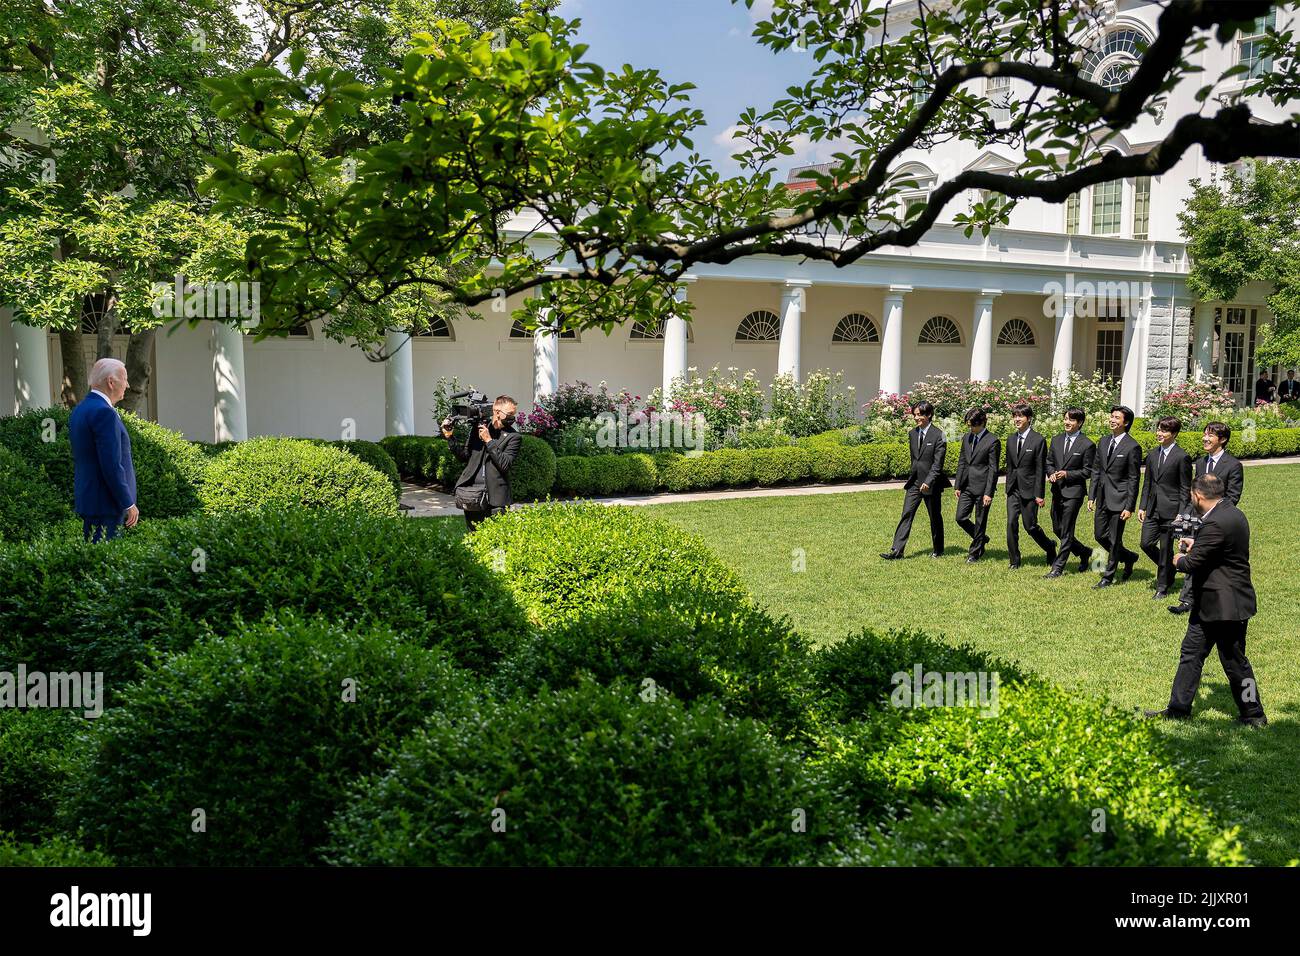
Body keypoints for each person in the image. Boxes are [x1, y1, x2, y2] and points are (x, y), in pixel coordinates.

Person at [1145, 474, 1267, 727]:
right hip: (1209, 604)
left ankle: (1254, 715)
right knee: (1190, 653)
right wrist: (1196, 544)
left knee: (1235, 663)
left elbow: (1191, 563)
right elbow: (1216, 551)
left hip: (1225, 606)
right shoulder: (1233, 513)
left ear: (1198, 495)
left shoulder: (1215, 523)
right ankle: (1178, 708)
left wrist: (1178, 559)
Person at [1169, 421, 1243, 614]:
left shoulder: (1233, 465)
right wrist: (1186, 515)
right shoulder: (1201, 463)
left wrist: (1211, 513)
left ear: (1223, 439)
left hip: (1217, 521)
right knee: (1189, 553)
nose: (1205, 438)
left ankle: (1206, 596)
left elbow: (1233, 496)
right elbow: (1195, 492)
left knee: (1207, 558)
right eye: (1204, 434)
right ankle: (1186, 601)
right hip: (1195, 517)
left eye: (1210, 435)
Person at [67, 358, 139, 543]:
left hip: (90, 499)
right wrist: (128, 502)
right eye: (125, 379)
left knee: (94, 562)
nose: (128, 385)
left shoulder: (81, 409)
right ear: (111, 381)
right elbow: (111, 465)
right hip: (107, 503)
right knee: (107, 565)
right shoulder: (104, 412)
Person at [441, 395, 521, 531]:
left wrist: (489, 441)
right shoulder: (479, 428)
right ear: (496, 412)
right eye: (510, 414)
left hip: (495, 499)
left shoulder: (514, 437)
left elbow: (504, 464)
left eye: (514, 414)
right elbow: (464, 456)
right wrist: (449, 436)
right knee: (474, 538)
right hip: (472, 495)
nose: (513, 418)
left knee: (496, 541)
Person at [882, 401, 948, 560]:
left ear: (929, 415)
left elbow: (937, 464)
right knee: (907, 514)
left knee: (934, 517)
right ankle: (897, 551)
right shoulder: (912, 433)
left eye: (920, 414)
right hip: (915, 483)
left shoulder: (940, 435)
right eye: (915, 415)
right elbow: (915, 460)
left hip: (931, 484)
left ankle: (938, 549)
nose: (916, 418)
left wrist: (929, 481)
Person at [1137, 417, 1193, 599]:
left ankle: (1162, 587)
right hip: (1153, 508)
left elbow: (1185, 488)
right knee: (1145, 543)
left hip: (1172, 511)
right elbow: (1147, 483)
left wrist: (1182, 514)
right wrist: (1142, 506)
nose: (1159, 433)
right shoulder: (1153, 454)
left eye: (1164, 431)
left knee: (1165, 549)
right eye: (1158, 429)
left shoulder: (1182, 456)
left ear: (1174, 434)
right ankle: (1170, 568)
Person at [1087, 405, 1141, 589]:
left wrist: (1129, 506)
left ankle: (1108, 577)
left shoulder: (1133, 446)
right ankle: (1129, 557)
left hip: (1120, 499)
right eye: (1111, 416)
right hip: (1102, 497)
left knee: (1114, 539)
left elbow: (1134, 478)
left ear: (1125, 423)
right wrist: (1092, 495)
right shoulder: (1103, 441)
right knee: (1100, 535)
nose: (1112, 419)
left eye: (1117, 417)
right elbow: (1097, 470)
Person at [1044, 408, 1096, 578]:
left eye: (1071, 420)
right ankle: (1084, 551)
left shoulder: (1087, 444)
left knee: (1067, 530)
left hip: (1074, 493)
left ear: (1079, 423)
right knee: (1057, 529)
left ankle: (1057, 567)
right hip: (1057, 491)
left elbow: (1088, 471)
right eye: (1065, 419)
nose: (1067, 422)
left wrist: (1067, 474)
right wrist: (1051, 473)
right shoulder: (1056, 440)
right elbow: (1049, 462)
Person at [1003, 403, 1056, 569]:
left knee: (1030, 526)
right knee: (1011, 523)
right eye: (1015, 416)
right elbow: (1010, 466)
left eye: (1020, 416)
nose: (1017, 419)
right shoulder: (1011, 439)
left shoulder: (1038, 440)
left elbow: (1040, 469)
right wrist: (1008, 488)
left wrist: (1039, 494)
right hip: (1013, 489)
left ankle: (1049, 547)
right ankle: (1014, 561)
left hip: (1030, 490)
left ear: (1029, 418)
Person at [952, 407, 1000, 563]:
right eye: (969, 425)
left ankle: (974, 552)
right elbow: (962, 461)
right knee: (960, 517)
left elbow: (993, 469)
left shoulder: (993, 441)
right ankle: (981, 538)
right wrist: (958, 485)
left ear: (982, 423)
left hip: (982, 487)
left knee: (980, 521)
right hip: (967, 486)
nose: (971, 428)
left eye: (973, 425)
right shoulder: (967, 438)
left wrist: (989, 493)